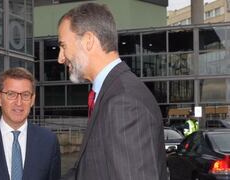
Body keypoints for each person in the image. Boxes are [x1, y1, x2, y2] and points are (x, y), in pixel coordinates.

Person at [57, 3, 166, 180]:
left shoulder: (125, 102)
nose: (60, 57)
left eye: (63, 46)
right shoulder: (112, 93)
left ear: (88, 41)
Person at [0, 67, 61, 180]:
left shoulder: (48, 142)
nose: (19, 102)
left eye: (25, 95)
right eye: (11, 94)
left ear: (32, 100)